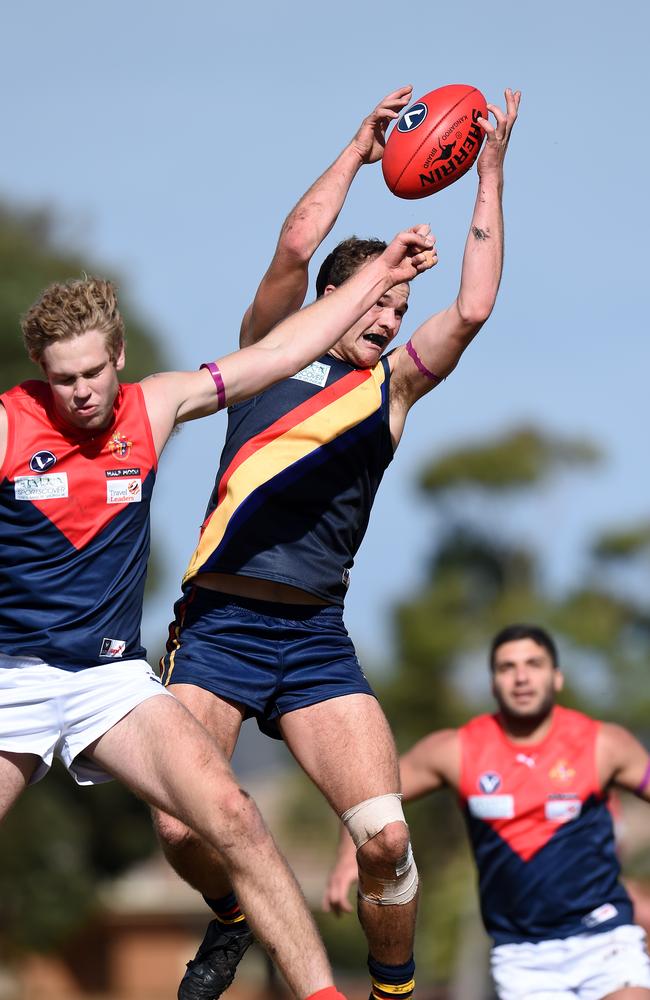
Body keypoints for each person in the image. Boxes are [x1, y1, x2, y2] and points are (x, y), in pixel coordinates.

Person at [0, 226, 435, 1000]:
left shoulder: (157, 406)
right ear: (40, 372)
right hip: (15, 677)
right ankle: (232, 917)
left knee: (234, 816)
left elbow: (277, 347)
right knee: (186, 831)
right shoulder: (9, 425)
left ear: (121, 356)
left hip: (109, 677)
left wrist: (377, 279)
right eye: (65, 379)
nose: (84, 393)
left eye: (95, 372)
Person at [154, 84, 520, 1000]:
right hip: (218, 627)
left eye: (402, 306)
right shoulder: (268, 347)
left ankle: (392, 992)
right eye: (381, 299)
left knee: (388, 843)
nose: (392, 319)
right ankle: (235, 912)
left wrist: (489, 178)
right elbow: (293, 244)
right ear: (338, 297)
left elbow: (469, 310)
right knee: (178, 828)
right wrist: (359, 151)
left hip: (315, 640)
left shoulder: (392, 389)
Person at [324, 624, 650, 1000]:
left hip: (606, 939)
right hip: (521, 955)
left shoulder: (603, 745)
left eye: (534, 664)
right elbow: (369, 797)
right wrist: (348, 857)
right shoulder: (456, 751)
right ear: (494, 682)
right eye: (507, 667)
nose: (521, 677)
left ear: (556, 677)